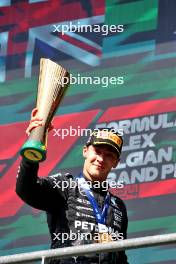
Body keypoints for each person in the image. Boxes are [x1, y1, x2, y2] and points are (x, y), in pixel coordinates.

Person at [16, 109, 129, 264]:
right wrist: (33, 146)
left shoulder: (118, 206)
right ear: (85, 151)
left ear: (116, 162)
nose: (101, 159)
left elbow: (121, 258)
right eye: (97, 151)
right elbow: (27, 189)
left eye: (109, 155)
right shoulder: (65, 187)